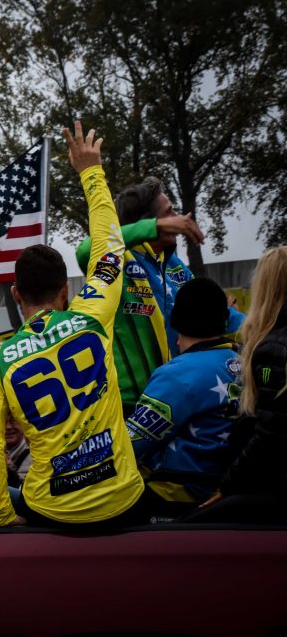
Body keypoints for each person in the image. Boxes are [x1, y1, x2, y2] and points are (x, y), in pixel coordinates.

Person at [0, 121, 145, 528]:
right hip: (122, 497)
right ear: (65, 291)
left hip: (52, 511)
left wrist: (1, 514)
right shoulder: (90, 316)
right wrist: (91, 171)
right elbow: (109, 248)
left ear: (15, 294)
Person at [75, 177, 244, 413]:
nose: (178, 216)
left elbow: (214, 315)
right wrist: (154, 229)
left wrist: (263, 330)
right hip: (129, 405)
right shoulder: (117, 260)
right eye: (169, 212)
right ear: (149, 222)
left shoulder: (174, 265)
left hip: (175, 393)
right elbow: (85, 250)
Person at [188, 247, 287, 523]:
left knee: (192, 525)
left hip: (273, 485)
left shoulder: (272, 349)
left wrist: (227, 485)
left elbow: (270, 435)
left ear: (266, 288)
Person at [125, 277, 240, 508]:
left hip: (177, 491)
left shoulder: (177, 374)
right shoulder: (242, 361)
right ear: (224, 321)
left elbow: (131, 443)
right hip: (224, 488)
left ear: (178, 322)